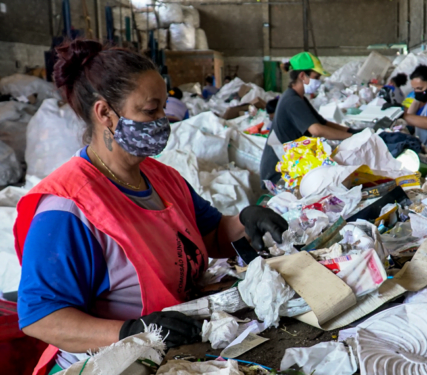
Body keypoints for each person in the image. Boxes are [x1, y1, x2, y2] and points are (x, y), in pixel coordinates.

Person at [14, 39, 289, 375]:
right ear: (105, 113)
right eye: (150, 110)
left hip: (174, 350)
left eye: (163, 109)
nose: (163, 120)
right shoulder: (67, 208)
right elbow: (42, 317)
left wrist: (246, 220)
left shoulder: (161, 177)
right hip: (112, 363)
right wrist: (130, 331)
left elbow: (210, 234)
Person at [259, 52, 354, 184]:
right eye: (316, 76)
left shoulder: (298, 97)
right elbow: (316, 129)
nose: (319, 81)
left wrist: (351, 130)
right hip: (279, 172)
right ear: (303, 75)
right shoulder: (292, 101)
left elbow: (323, 123)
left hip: (290, 163)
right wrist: (351, 137)